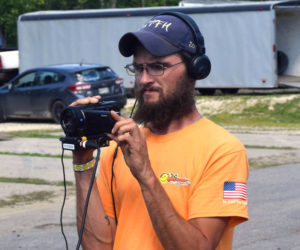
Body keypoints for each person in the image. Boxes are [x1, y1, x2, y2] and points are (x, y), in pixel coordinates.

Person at [71, 12, 249, 250]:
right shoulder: (119, 147)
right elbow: (98, 246)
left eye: (157, 66)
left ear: (195, 71)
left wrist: (145, 174)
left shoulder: (223, 151)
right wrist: (83, 164)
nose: (144, 79)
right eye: (138, 68)